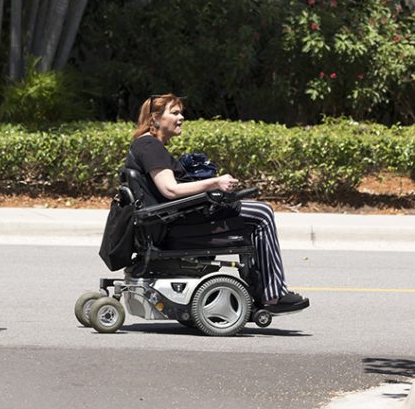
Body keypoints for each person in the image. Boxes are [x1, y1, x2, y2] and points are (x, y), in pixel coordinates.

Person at [125, 93, 309, 313]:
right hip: (177, 223)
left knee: (254, 212)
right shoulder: (150, 146)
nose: (181, 117)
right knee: (263, 213)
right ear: (155, 119)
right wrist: (215, 183)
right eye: (174, 113)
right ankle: (272, 296)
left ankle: (262, 287)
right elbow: (170, 190)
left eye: (180, 112)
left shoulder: (145, 145)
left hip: (173, 219)